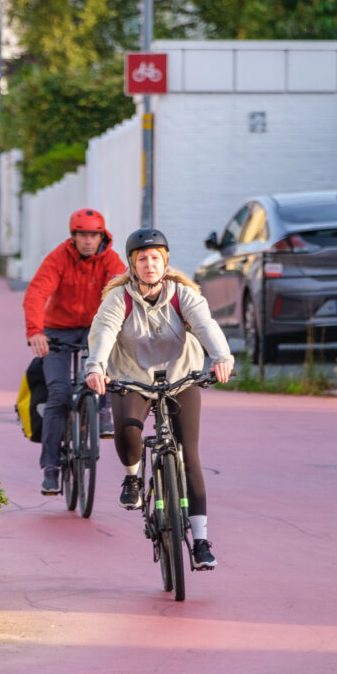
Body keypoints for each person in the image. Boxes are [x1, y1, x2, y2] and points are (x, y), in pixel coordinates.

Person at [84, 228, 234, 570]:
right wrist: (96, 367)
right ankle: (133, 478)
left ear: (165, 263)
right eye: (142, 259)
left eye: (155, 258)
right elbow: (104, 333)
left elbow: (206, 325)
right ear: (132, 265)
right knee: (127, 429)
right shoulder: (118, 299)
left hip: (181, 377)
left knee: (189, 456)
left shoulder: (183, 295)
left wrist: (222, 358)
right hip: (133, 378)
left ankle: (199, 541)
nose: (149, 264)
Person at [23, 208, 126, 496]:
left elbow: (121, 291)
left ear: (102, 236)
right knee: (58, 393)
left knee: (108, 362)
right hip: (58, 330)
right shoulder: (59, 258)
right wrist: (35, 331)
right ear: (74, 237)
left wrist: (121, 328)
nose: (88, 241)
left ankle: (103, 409)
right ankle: (51, 468)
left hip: (96, 327)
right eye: (82, 235)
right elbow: (37, 292)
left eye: (93, 235)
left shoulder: (111, 260)